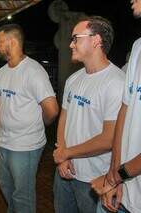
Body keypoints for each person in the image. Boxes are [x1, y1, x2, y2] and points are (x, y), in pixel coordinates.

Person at [53, 16, 125, 213]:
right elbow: (64, 119)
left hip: (94, 179)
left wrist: (66, 153)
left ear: (96, 40)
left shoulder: (117, 83)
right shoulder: (73, 79)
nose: (70, 44)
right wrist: (63, 157)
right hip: (64, 170)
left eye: (76, 38)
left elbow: (109, 138)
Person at [0, 24, 59, 213]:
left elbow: (52, 110)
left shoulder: (33, 71)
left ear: (12, 42)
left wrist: (38, 124)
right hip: (3, 142)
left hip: (25, 146)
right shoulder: (1, 73)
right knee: (6, 189)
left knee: (23, 196)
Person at [91, 1, 141, 212]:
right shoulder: (138, 46)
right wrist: (115, 174)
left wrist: (117, 176)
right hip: (127, 188)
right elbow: (125, 109)